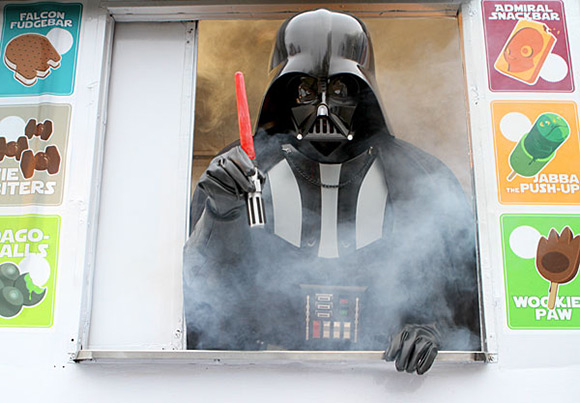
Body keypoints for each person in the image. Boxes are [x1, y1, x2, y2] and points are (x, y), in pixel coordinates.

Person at [183, 8, 480, 375]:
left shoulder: (421, 178)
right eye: (306, 91)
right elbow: (202, 300)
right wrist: (221, 213)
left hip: (386, 384)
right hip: (267, 378)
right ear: (284, 94)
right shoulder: (238, 171)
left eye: (339, 90)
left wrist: (434, 329)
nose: (322, 107)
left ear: (363, 93)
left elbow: (464, 297)